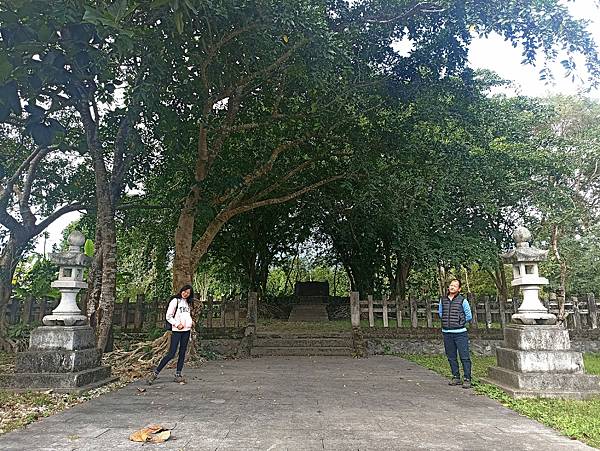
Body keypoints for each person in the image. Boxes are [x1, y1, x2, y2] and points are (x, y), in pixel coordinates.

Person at [147, 284, 194, 384]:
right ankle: (155, 373)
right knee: (171, 353)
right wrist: (177, 324)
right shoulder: (175, 301)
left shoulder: (188, 303)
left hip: (186, 331)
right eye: (184, 291)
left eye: (188, 293)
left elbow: (186, 315)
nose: (185, 294)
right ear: (181, 290)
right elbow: (168, 316)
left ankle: (178, 374)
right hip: (177, 331)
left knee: (182, 353)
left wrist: (190, 322)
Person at [438, 279, 473, 388]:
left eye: (455, 286)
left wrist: (459, 322)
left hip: (460, 333)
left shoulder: (463, 301)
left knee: (464, 356)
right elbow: (440, 313)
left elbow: (469, 315)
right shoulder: (443, 300)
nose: (452, 287)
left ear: (459, 289)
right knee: (451, 356)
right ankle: (456, 377)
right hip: (447, 333)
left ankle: (467, 378)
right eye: (451, 285)